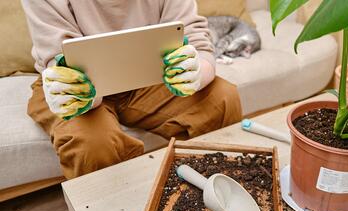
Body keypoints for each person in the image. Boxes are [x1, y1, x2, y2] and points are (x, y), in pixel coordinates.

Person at [21, 0, 242, 179]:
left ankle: (217, 188)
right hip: (74, 86)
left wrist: (195, 73)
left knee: (222, 98)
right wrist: (77, 93)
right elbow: (58, 59)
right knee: (93, 144)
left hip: (147, 76)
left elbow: (197, 40)